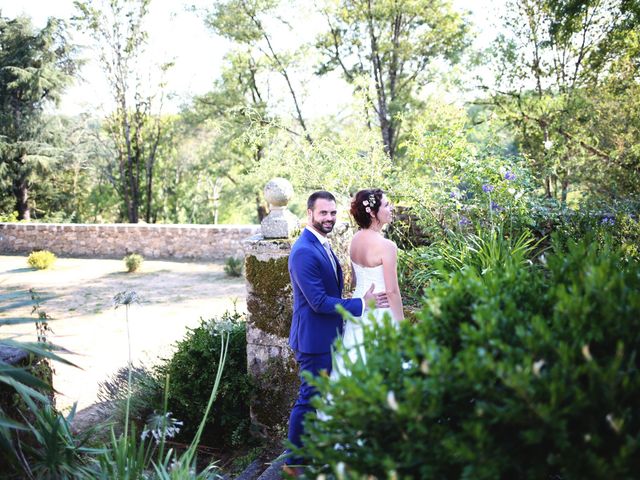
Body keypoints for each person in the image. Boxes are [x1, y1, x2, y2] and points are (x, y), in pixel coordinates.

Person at [284, 190, 389, 475]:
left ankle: (315, 452)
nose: (329, 218)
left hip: (328, 336)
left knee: (321, 398)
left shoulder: (322, 244)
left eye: (332, 213)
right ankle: (293, 462)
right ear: (310, 214)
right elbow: (318, 302)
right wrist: (361, 305)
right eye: (323, 213)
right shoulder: (304, 250)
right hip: (314, 340)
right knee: (309, 398)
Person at [331, 188, 404, 377]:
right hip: (381, 310)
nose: (391, 208)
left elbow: (356, 279)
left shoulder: (354, 240)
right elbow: (392, 291)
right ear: (372, 213)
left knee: (355, 365)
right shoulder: (387, 246)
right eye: (386, 205)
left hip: (360, 307)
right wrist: (402, 327)